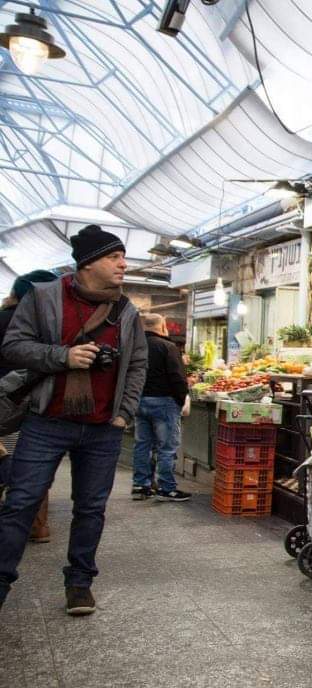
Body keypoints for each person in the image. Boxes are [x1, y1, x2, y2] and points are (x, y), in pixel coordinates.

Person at [0, 225, 148, 615]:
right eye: (114, 257)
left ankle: (80, 582)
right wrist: (62, 357)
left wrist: (124, 413)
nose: (123, 263)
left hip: (102, 427)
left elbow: (136, 364)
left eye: (122, 256)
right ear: (88, 263)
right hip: (47, 419)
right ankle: (1, 581)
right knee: (21, 502)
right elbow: (14, 346)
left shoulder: (126, 310)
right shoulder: (44, 298)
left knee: (90, 508)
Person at [0, 270, 59, 543]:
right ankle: (37, 526)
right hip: (34, 405)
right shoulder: (47, 327)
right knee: (33, 470)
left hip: (5, 404)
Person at [131, 313, 190, 502]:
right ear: (162, 326)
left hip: (139, 401)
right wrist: (182, 400)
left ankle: (141, 486)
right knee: (167, 447)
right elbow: (177, 377)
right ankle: (166, 488)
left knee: (142, 445)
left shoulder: (134, 346)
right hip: (164, 403)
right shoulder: (168, 346)